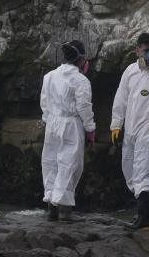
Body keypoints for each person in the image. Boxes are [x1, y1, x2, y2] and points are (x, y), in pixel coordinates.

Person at [110, 32, 149, 229]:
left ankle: (143, 219)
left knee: (143, 173)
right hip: (130, 130)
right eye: (146, 50)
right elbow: (121, 98)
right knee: (129, 172)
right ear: (137, 51)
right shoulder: (130, 71)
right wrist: (116, 124)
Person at [40, 39, 96, 222]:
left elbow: (44, 103)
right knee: (69, 164)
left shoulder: (49, 76)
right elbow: (84, 107)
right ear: (81, 60)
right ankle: (65, 211)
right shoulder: (80, 80)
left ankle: (51, 209)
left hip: (52, 123)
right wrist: (90, 130)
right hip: (71, 124)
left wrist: (49, 121)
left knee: (51, 163)